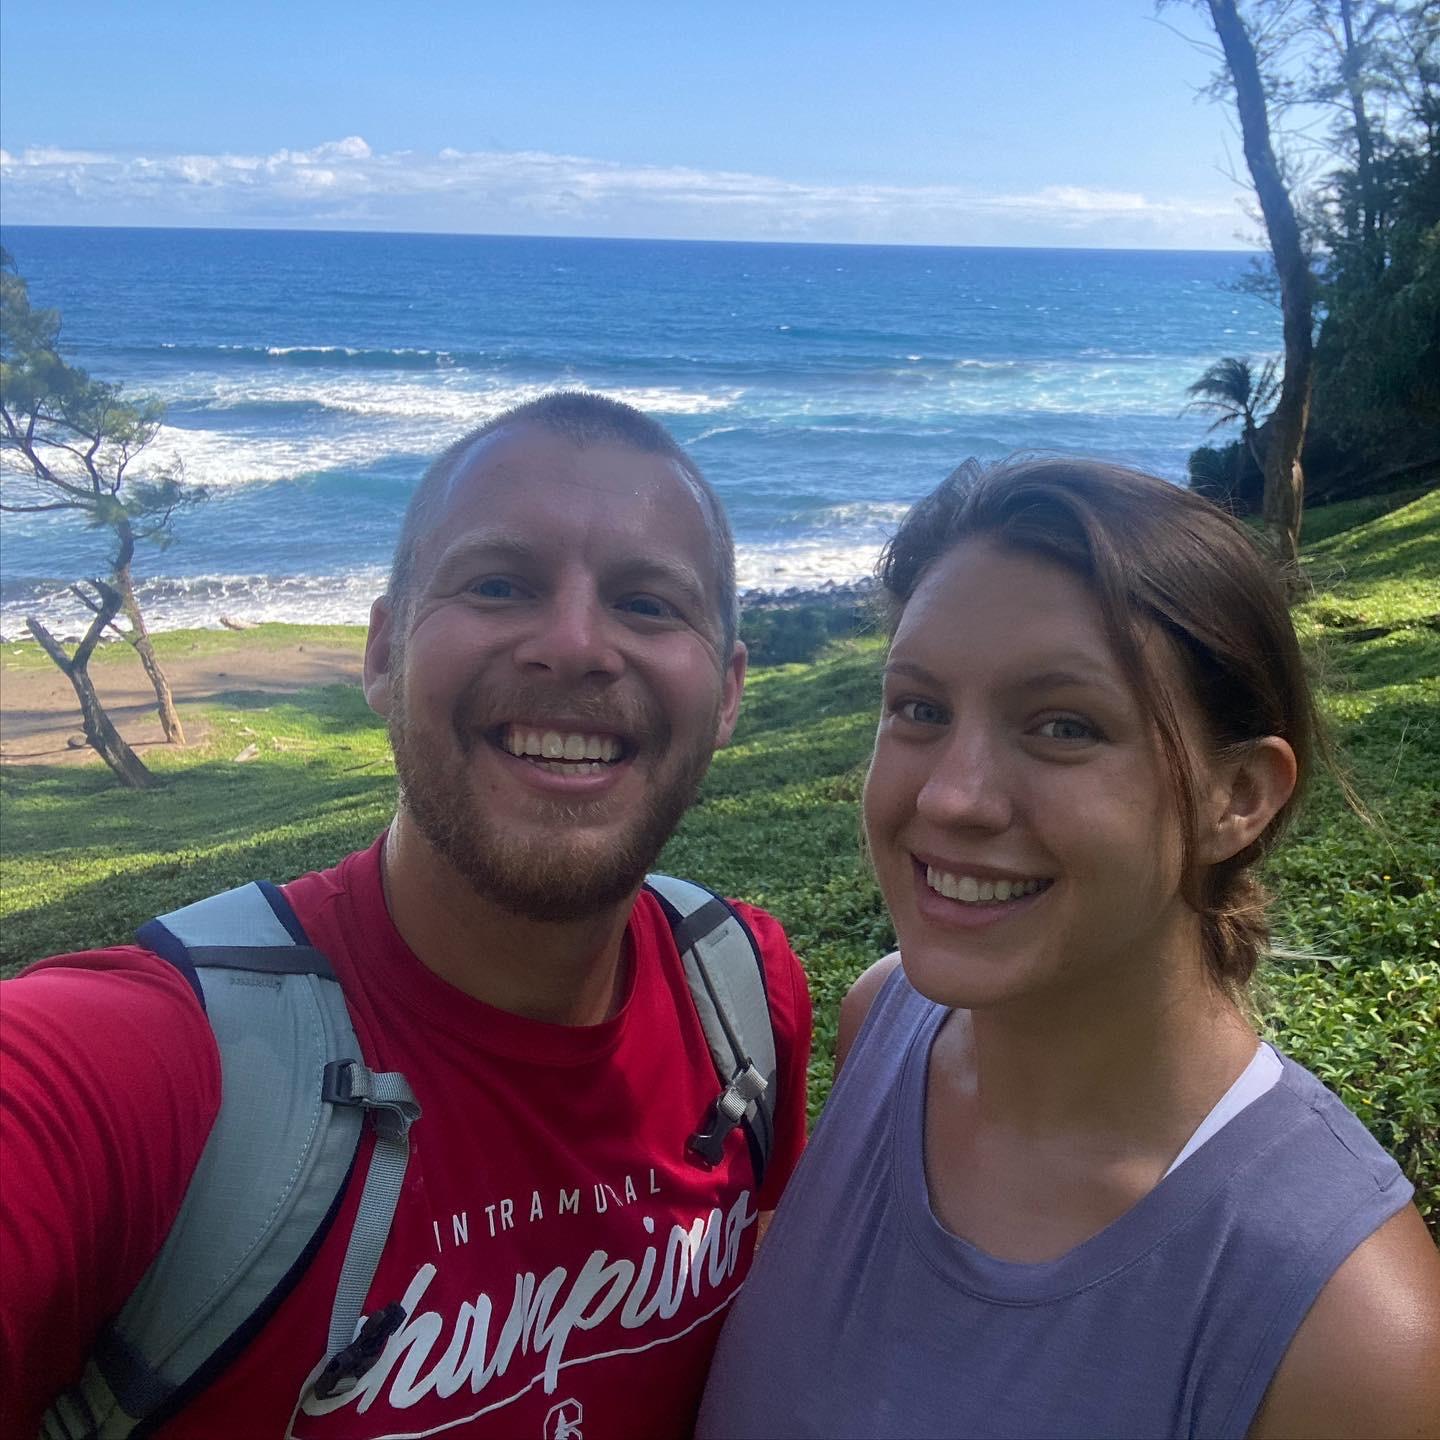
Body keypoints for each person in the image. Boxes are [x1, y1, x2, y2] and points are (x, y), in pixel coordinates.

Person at [1, 392, 812, 1440]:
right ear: (382, 655)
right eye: (498, 583)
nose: (574, 645)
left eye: (649, 604)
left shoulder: (744, 994)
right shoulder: (142, 1065)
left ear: (730, 692)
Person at [698, 456, 1440, 1439]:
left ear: (1239, 798)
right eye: (919, 708)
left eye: (1063, 726)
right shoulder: (883, 1025)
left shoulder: (1347, 1326)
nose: (953, 796)